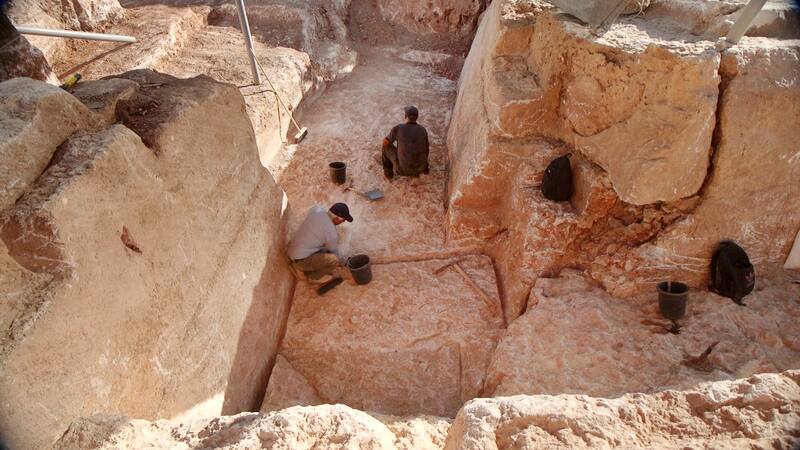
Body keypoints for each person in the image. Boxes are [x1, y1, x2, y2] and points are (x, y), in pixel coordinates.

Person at [288, 203, 353, 283]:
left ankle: (302, 265)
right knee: (334, 260)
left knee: (325, 250)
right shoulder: (331, 233)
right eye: (343, 220)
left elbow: (327, 248)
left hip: (293, 251)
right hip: (300, 260)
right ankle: (312, 277)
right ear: (336, 218)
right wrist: (344, 262)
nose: (342, 222)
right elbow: (334, 251)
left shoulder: (317, 209)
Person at [381, 105, 429, 179]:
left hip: (402, 170)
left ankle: (389, 176)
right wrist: (425, 168)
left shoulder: (398, 128)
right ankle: (418, 172)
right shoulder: (423, 130)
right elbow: (426, 150)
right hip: (421, 169)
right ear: (417, 117)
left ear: (405, 116)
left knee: (385, 147)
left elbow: (385, 143)